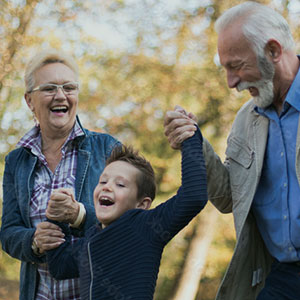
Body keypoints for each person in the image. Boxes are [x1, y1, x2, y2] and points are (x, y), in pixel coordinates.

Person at [164, 2, 300, 300]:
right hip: (284, 276)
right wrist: (194, 144)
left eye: (236, 65)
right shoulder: (245, 121)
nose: (230, 82)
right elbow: (229, 198)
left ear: (274, 51)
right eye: (225, 68)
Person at [0, 49, 120, 300]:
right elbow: (9, 232)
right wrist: (33, 241)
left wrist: (80, 215)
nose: (60, 95)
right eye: (49, 88)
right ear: (29, 101)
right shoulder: (16, 161)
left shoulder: (107, 149)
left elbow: (132, 224)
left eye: (69, 87)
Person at [45, 127, 207, 300]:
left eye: (120, 184)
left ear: (142, 204)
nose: (107, 186)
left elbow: (194, 196)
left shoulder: (144, 227)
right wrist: (57, 218)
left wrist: (189, 138)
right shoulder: (91, 239)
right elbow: (60, 266)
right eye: (103, 181)